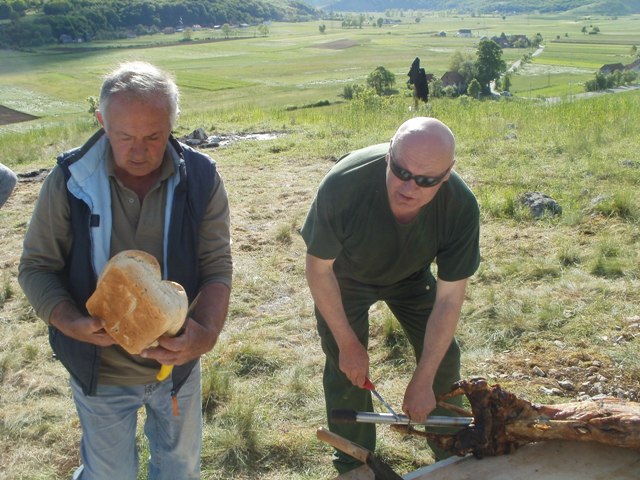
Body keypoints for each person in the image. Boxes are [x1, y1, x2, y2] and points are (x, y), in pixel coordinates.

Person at [18, 61, 232, 480]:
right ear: (102, 122)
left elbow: (217, 265)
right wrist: (71, 323)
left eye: (154, 136)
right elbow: (36, 267)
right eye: (124, 136)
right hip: (99, 370)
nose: (140, 151)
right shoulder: (69, 181)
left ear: (172, 123)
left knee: (180, 471)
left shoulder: (201, 178)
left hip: (176, 369)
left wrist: (204, 334)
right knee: (108, 473)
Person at [301, 117, 480, 474]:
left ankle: (448, 451)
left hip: (411, 276)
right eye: (401, 171)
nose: (410, 187)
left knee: (444, 359)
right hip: (345, 278)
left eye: (426, 180)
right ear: (389, 156)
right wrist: (349, 344)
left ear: (447, 175)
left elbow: (448, 299)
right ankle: (354, 460)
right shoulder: (344, 184)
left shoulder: (460, 207)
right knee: (344, 363)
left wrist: (424, 378)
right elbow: (319, 270)